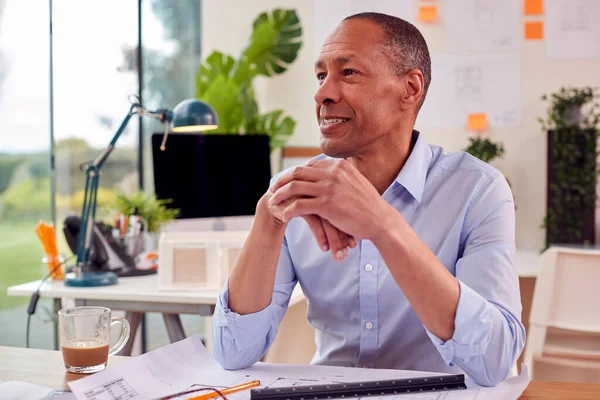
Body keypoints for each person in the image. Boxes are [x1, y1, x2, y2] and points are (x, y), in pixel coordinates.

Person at [211, 12, 525, 387]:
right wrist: (269, 219)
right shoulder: (296, 190)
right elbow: (233, 351)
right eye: (321, 75)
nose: (323, 93)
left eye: (348, 73)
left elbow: (494, 360)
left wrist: (384, 225)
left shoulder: (478, 190)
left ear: (410, 89)